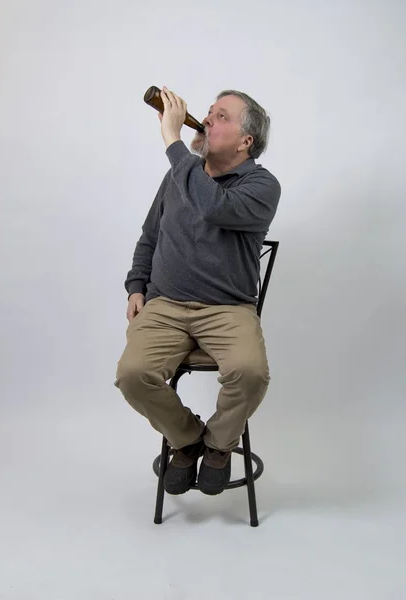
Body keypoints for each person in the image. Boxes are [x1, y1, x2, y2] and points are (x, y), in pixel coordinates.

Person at [115, 86, 281, 496]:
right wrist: (137, 286)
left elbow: (214, 207)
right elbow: (150, 236)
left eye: (221, 116)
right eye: (208, 113)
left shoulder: (261, 185)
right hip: (165, 304)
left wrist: (173, 141)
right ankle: (189, 440)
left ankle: (219, 445)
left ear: (247, 141)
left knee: (251, 373)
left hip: (228, 309)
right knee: (132, 375)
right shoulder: (179, 176)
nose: (206, 120)